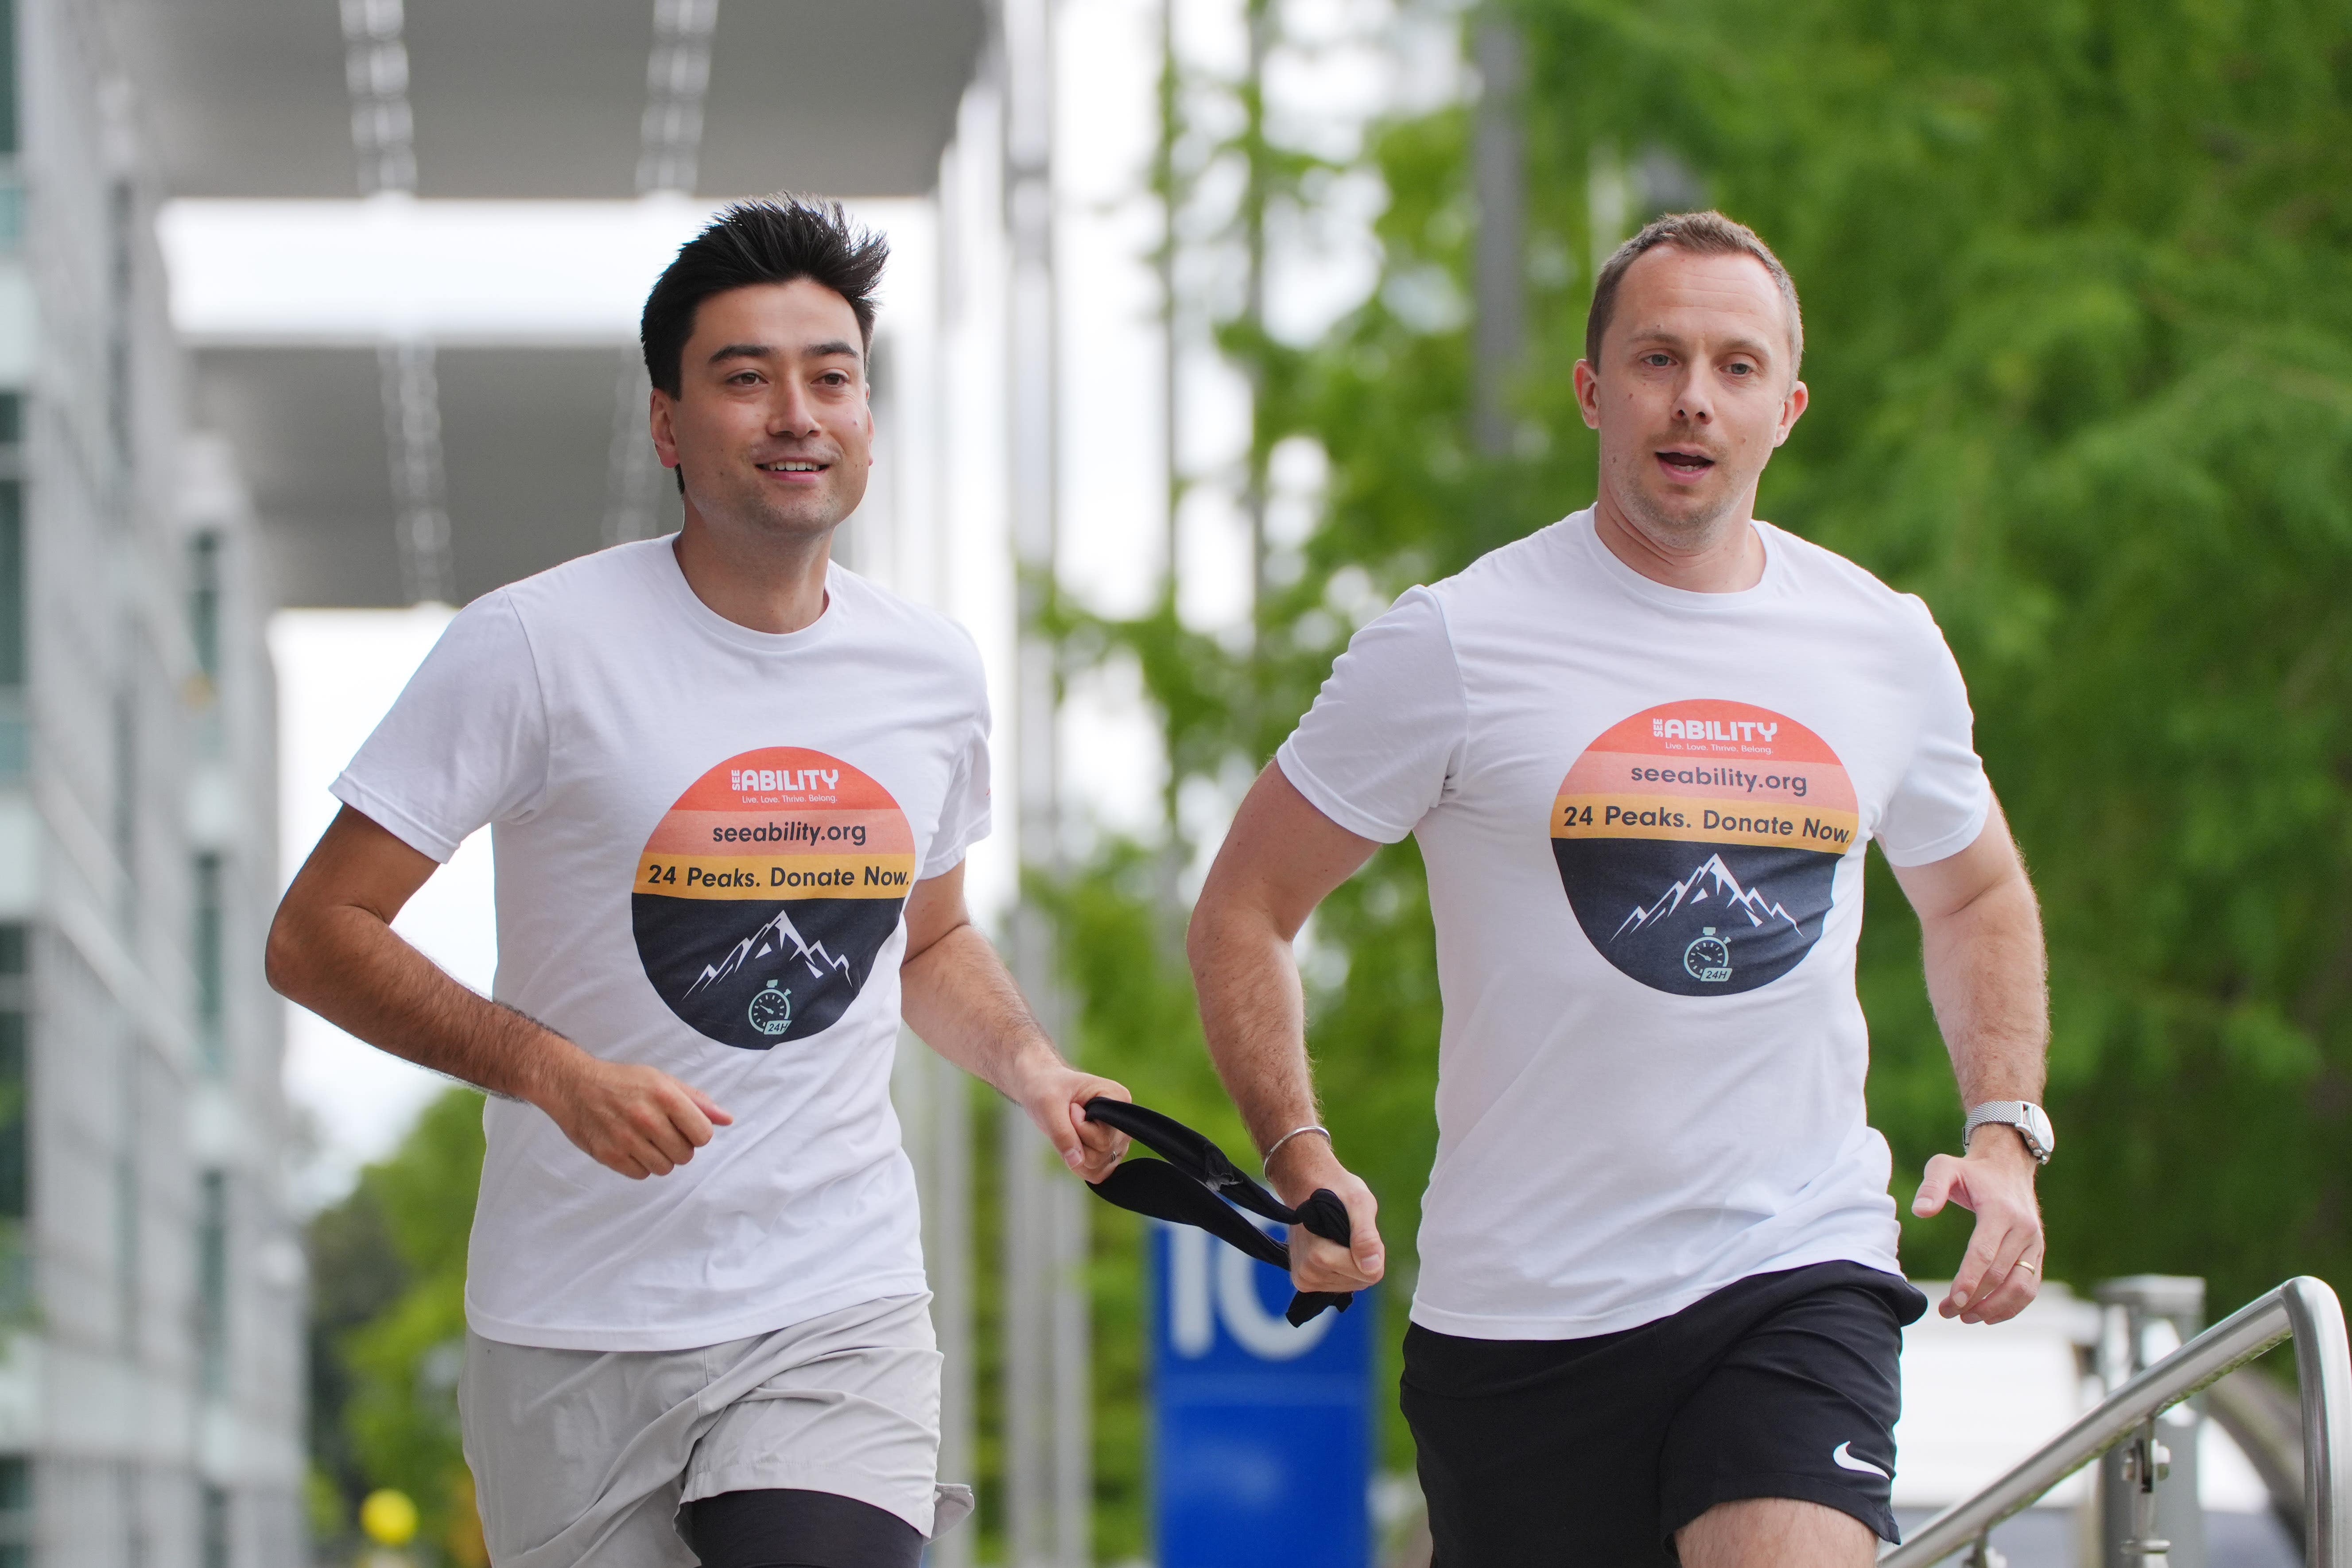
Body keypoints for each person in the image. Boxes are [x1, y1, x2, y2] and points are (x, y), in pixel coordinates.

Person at [268, 197, 1128, 1568]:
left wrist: (1031, 1063)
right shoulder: (537, 649)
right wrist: (552, 1070)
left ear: (864, 411)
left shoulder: (929, 672)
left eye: (830, 375)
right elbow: (316, 935)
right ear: (670, 425)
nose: (797, 411)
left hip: (831, 1298)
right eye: (747, 377)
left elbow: (925, 941)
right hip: (573, 1322)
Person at [1184, 210, 2051, 1567]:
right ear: (1594, 391)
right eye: (1656, 358)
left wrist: (2006, 1131)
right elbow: (1245, 906)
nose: (1694, 396)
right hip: (1524, 1314)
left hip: (1794, 1264)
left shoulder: (1881, 645)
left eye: (1737, 366)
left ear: (1788, 409)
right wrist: (1299, 1149)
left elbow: (1979, 892)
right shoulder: (1454, 643)